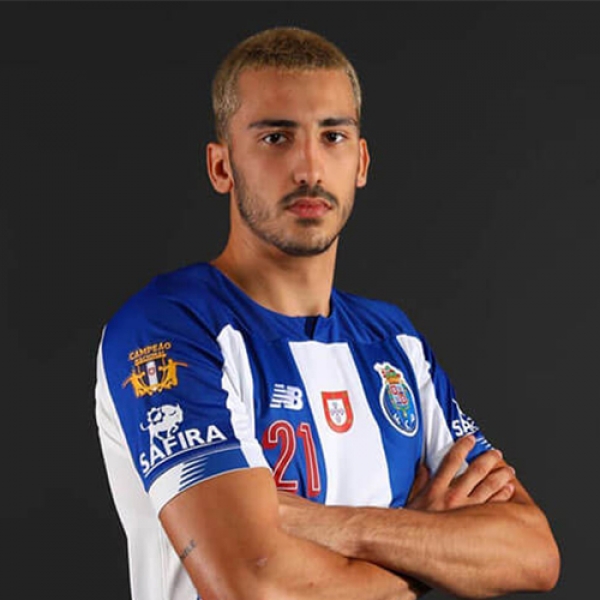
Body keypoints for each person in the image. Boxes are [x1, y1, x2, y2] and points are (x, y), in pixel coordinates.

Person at [95, 26, 560, 600]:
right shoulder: (167, 329)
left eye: (333, 136)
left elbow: (533, 552)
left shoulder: (393, 342)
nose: (309, 169)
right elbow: (255, 586)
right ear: (221, 167)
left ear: (360, 162)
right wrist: (429, 542)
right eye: (276, 138)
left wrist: (333, 525)